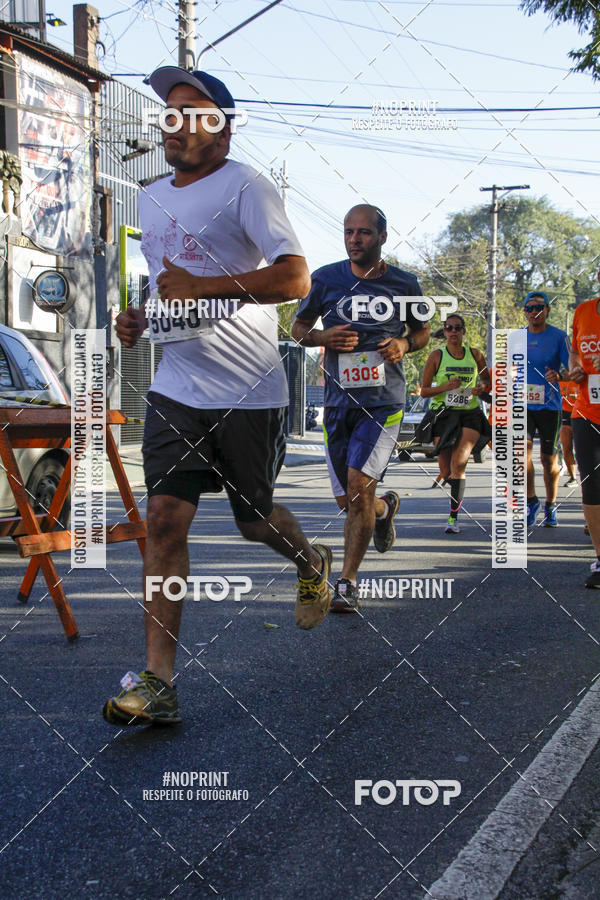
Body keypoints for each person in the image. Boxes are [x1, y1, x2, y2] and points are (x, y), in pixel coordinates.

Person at [103, 67, 333, 727]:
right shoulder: (148, 200)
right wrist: (141, 319)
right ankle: (158, 681)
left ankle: (310, 560)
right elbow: (166, 282)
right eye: (167, 111)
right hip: (177, 389)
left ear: (223, 128)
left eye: (191, 110)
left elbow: (295, 278)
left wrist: (205, 290)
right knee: (166, 523)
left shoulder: (246, 187)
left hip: (248, 393)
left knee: (253, 521)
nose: (174, 121)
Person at [291, 205, 429, 612]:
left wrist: (404, 344)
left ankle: (347, 583)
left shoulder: (405, 284)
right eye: (349, 232)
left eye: (364, 233)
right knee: (351, 502)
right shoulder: (326, 279)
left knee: (357, 486)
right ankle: (384, 510)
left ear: (382, 237)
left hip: (383, 402)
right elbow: (298, 330)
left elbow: (421, 333)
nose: (355, 239)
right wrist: (323, 337)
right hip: (337, 403)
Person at [420, 314, 490, 533]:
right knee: (447, 469)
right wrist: (445, 387)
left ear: (463, 331)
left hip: (469, 413)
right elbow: (423, 391)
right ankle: (454, 493)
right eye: (449, 328)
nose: (453, 331)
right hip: (443, 414)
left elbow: (487, 381)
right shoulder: (436, 356)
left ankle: (453, 518)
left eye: (457, 328)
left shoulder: (475, 354)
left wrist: (481, 388)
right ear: (445, 331)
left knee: (458, 465)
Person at [523, 291, 570, 527]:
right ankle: (531, 501)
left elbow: (574, 369)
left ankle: (550, 504)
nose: (534, 312)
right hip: (523, 405)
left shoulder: (559, 337)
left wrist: (559, 375)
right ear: (525, 312)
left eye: (539, 307)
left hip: (550, 406)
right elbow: (502, 369)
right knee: (521, 453)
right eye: (529, 308)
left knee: (548, 460)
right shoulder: (516, 338)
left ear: (547, 310)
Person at [569, 269, 600, 587]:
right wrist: (576, 368)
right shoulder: (584, 311)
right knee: (591, 482)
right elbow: (576, 350)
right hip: (586, 409)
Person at [559, 379, 579, 486]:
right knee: (566, 448)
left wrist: (577, 398)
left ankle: (588, 477)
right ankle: (573, 478)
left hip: (581, 413)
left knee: (581, 450)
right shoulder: (558, 381)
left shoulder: (580, 378)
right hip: (565, 414)